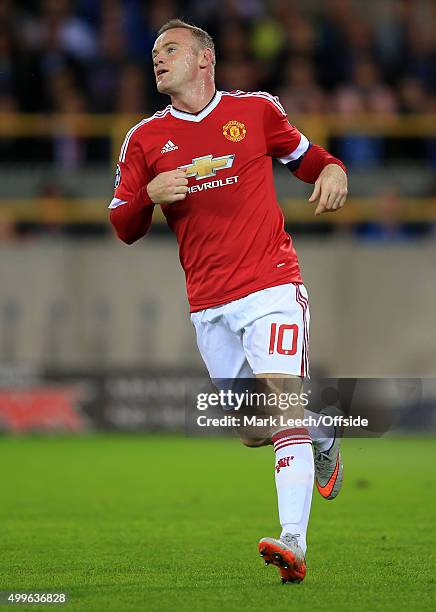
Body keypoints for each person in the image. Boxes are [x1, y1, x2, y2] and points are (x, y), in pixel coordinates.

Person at [109, 19, 348, 584]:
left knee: (282, 402)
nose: (158, 59)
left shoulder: (257, 111)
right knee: (251, 428)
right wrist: (148, 196)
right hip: (209, 303)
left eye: (170, 49)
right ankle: (324, 432)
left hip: (271, 285)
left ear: (205, 59)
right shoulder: (144, 139)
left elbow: (311, 159)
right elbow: (122, 225)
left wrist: (335, 170)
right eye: (154, 53)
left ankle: (294, 543)